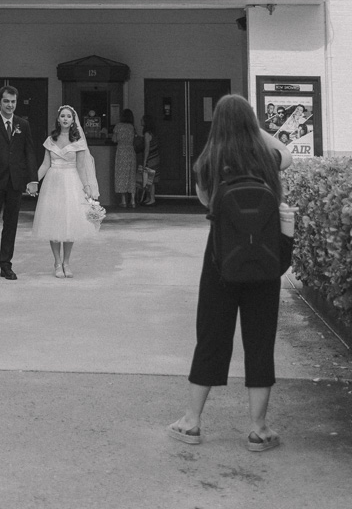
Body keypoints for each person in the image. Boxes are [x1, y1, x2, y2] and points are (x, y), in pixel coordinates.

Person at [168, 94, 295, 453]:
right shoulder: (268, 160)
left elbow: (206, 202)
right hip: (265, 263)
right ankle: (258, 428)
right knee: (259, 340)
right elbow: (286, 152)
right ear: (251, 122)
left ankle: (192, 422)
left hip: (221, 261)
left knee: (211, 336)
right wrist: (255, 128)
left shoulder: (209, 161)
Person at [0, 85, 38, 281]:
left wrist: (33, 179)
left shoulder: (23, 124)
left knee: (11, 224)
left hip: (15, 182)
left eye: (13, 102)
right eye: (6, 101)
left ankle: (6, 264)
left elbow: (29, 152)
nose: (10, 105)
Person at [31, 105, 100, 277]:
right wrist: (33, 181)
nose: (65, 119)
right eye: (63, 116)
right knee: (54, 221)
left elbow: (81, 167)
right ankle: (56, 262)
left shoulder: (79, 141)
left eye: (69, 116)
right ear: (58, 119)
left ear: (73, 119)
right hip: (53, 183)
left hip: (71, 182)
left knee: (70, 223)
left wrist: (87, 187)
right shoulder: (50, 139)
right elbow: (45, 164)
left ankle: (66, 262)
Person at [113, 108, 137, 207]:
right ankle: (133, 200)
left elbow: (114, 139)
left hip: (121, 152)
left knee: (121, 175)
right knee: (131, 175)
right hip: (131, 152)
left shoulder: (118, 126)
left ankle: (123, 201)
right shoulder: (132, 127)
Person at [141, 114, 160, 206]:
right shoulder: (153, 133)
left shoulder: (147, 134)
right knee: (151, 179)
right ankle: (149, 197)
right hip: (155, 157)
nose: (141, 121)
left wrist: (145, 160)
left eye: (142, 120)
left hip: (150, 158)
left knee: (150, 180)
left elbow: (147, 148)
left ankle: (151, 198)